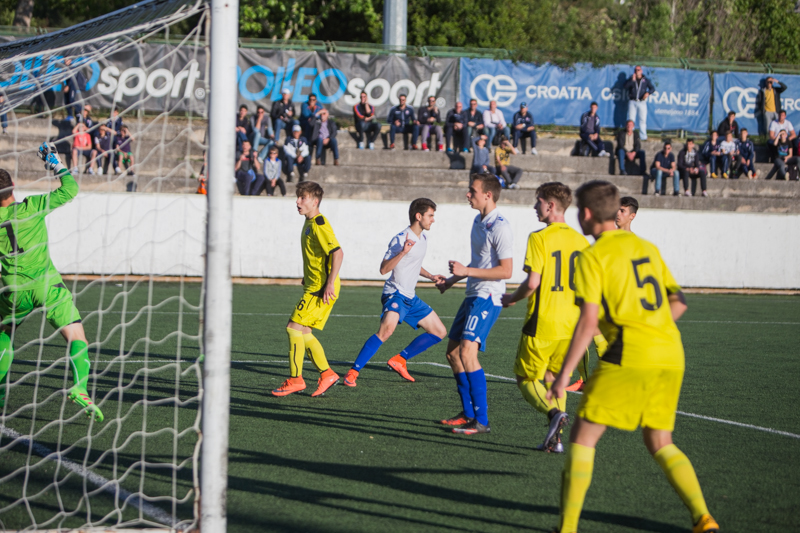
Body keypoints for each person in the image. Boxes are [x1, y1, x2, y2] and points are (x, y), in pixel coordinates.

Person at [546, 180, 719, 533]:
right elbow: (678, 301)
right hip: (671, 352)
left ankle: (567, 529)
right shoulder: (647, 248)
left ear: (588, 213)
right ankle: (704, 518)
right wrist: (652, 327)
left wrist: (563, 375)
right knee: (659, 440)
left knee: (583, 437)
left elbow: (588, 322)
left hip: (629, 352)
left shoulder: (593, 256)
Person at [0, 143, 104, 422]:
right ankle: (80, 387)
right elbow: (70, 189)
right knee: (76, 337)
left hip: (12, 289)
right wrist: (54, 163)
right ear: (13, 189)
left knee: (5, 331)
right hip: (46, 285)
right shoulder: (32, 206)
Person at [500, 182, 593, 453]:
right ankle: (556, 440)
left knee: (525, 379)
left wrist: (512, 299)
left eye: (538, 201)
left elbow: (532, 283)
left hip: (543, 322)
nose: (534, 206)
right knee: (555, 378)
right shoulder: (581, 240)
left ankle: (554, 415)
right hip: (571, 325)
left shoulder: (539, 237)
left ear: (550, 206)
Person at [435, 174, 513, 435]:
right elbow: (476, 264)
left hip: (488, 296)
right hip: (472, 294)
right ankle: (468, 414)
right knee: (452, 354)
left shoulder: (501, 227)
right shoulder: (477, 221)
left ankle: (482, 420)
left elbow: (506, 272)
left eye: (472, 191)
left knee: (468, 353)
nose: (468, 195)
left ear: (488, 195)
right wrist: (451, 280)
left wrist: (465, 270)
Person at [344, 199, 448, 387]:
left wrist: (431, 276)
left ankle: (400, 359)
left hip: (410, 297)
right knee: (387, 331)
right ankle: (353, 372)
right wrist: (402, 252)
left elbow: (413, 264)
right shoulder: (400, 238)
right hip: (395, 294)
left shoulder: (423, 238)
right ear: (419, 216)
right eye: (430, 215)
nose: (433, 220)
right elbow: (384, 269)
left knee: (439, 331)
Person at [272, 181, 343, 397]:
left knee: (293, 328)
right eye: (298, 197)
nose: (297, 201)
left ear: (315, 201)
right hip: (314, 285)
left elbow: (337, 253)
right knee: (303, 332)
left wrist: (328, 283)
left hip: (320, 290)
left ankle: (296, 379)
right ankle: (327, 374)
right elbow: (318, 255)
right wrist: (309, 275)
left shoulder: (319, 224)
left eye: (302, 198)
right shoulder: (309, 221)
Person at [624, 65, 655, 140]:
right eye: (636, 70)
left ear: (641, 71)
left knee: (642, 120)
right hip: (632, 101)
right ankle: (631, 136)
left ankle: (643, 136)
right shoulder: (632, 79)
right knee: (631, 120)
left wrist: (648, 93)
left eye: (638, 70)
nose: (637, 71)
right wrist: (632, 81)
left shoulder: (645, 80)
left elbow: (652, 88)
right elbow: (625, 87)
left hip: (642, 102)